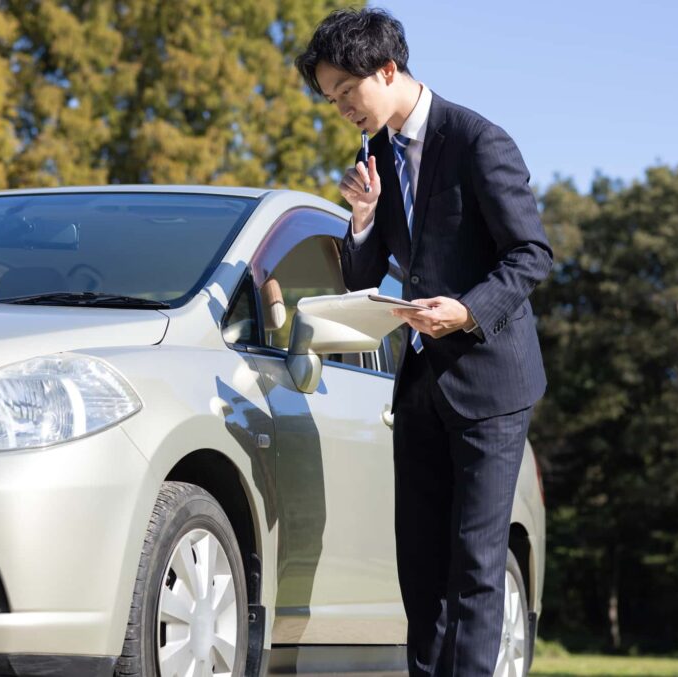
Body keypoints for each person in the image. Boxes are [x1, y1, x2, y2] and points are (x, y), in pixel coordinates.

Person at [295, 8, 553, 677]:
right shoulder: (373, 156)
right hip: (418, 390)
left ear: (388, 68)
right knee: (420, 566)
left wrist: (467, 309)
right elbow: (362, 273)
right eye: (331, 99)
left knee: (474, 565)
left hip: (491, 384)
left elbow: (531, 254)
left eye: (347, 92)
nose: (343, 108)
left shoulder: (477, 141)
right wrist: (360, 221)